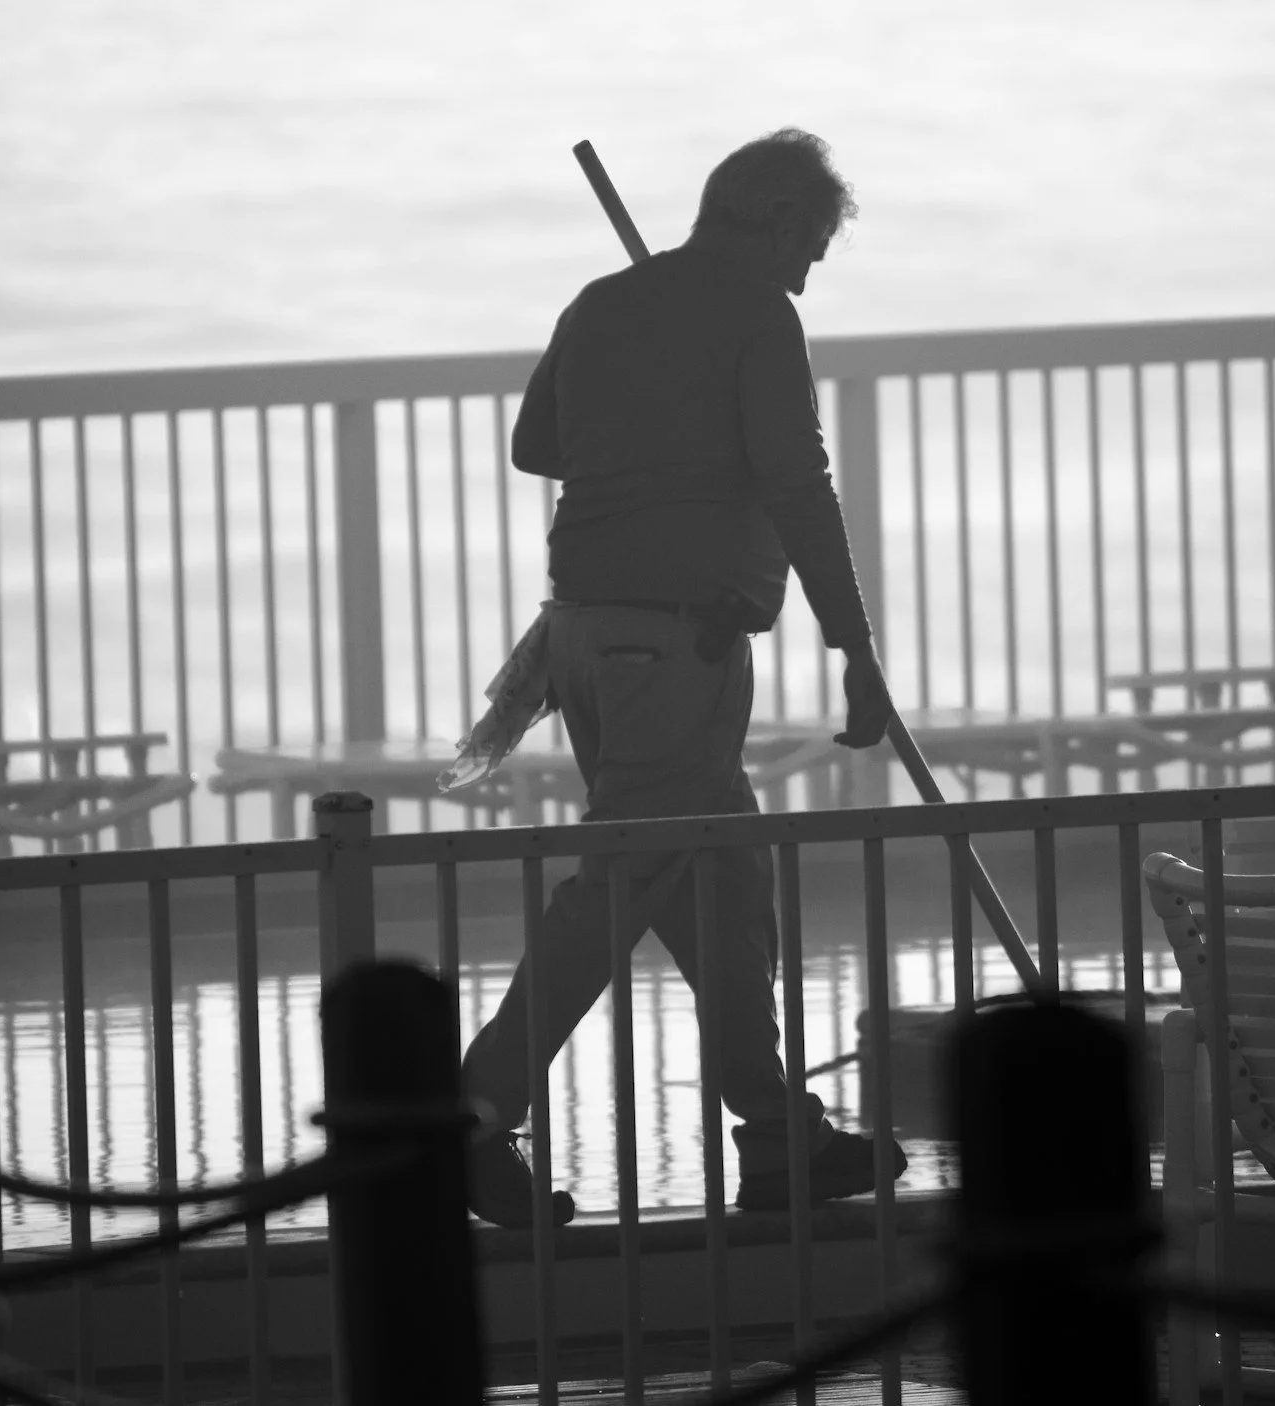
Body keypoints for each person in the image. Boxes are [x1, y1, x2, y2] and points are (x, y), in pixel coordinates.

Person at [463, 129, 908, 1227]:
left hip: (584, 636)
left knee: (721, 895)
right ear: (763, 221)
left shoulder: (606, 301)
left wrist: (655, 427)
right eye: (806, 243)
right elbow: (800, 482)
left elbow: (538, 445)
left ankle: (777, 1140)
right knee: (621, 883)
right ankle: (464, 1117)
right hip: (671, 646)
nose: (807, 271)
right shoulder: (758, 313)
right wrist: (852, 646)